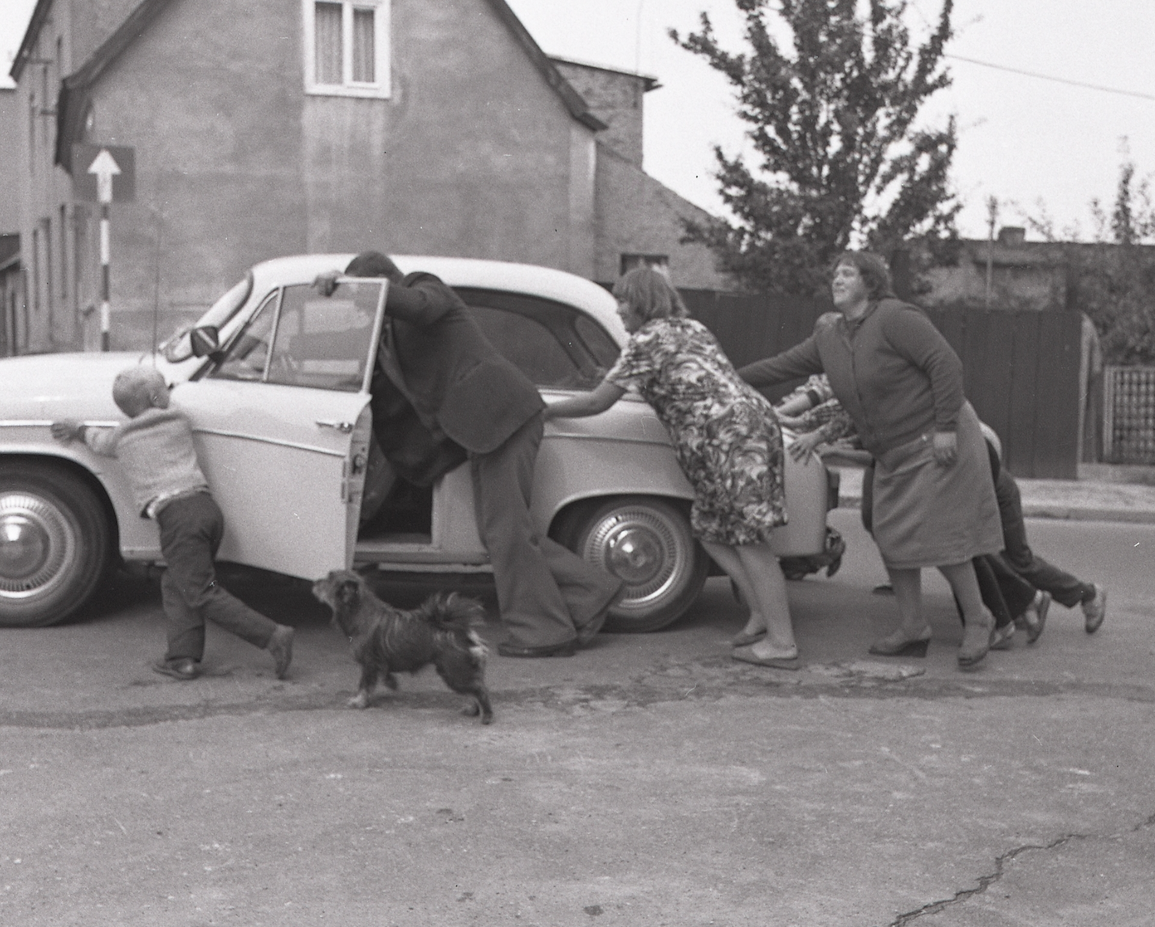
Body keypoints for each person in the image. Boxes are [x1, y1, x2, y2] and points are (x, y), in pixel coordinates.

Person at [314, 252, 622, 659]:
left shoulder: (425, 286)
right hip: (486, 426)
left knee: (507, 531)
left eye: (365, 295)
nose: (361, 308)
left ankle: (543, 632)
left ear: (382, 281)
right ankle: (592, 591)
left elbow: (421, 307)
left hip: (502, 416)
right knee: (500, 531)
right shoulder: (392, 326)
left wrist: (354, 287)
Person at [739, 251, 1003, 668]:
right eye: (834, 273)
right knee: (890, 535)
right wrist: (728, 377)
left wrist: (946, 427)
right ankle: (914, 626)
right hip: (892, 452)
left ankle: (978, 618)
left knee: (943, 537)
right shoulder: (830, 336)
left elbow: (945, 364)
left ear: (871, 281)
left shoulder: (895, 318)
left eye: (847, 272)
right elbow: (780, 366)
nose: (837, 279)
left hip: (935, 440)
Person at [545, 267, 800, 668]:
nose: (618, 310)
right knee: (711, 531)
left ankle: (782, 643)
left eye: (624, 301)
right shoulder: (692, 328)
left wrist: (545, 411)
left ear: (643, 302)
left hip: (729, 437)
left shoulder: (645, 341)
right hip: (741, 429)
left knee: (749, 538)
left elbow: (598, 402)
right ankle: (759, 614)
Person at [51, 365, 295, 681]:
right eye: (166, 388)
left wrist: (77, 428)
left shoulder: (122, 436)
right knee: (178, 582)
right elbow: (167, 402)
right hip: (205, 511)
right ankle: (183, 659)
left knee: (202, 591)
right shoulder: (179, 420)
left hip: (179, 520)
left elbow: (96, 441)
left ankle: (272, 635)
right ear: (157, 398)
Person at [986, 438, 1107, 639]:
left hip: (997, 493)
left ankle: (1089, 594)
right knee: (994, 557)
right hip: (986, 490)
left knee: (1019, 561)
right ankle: (1020, 607)